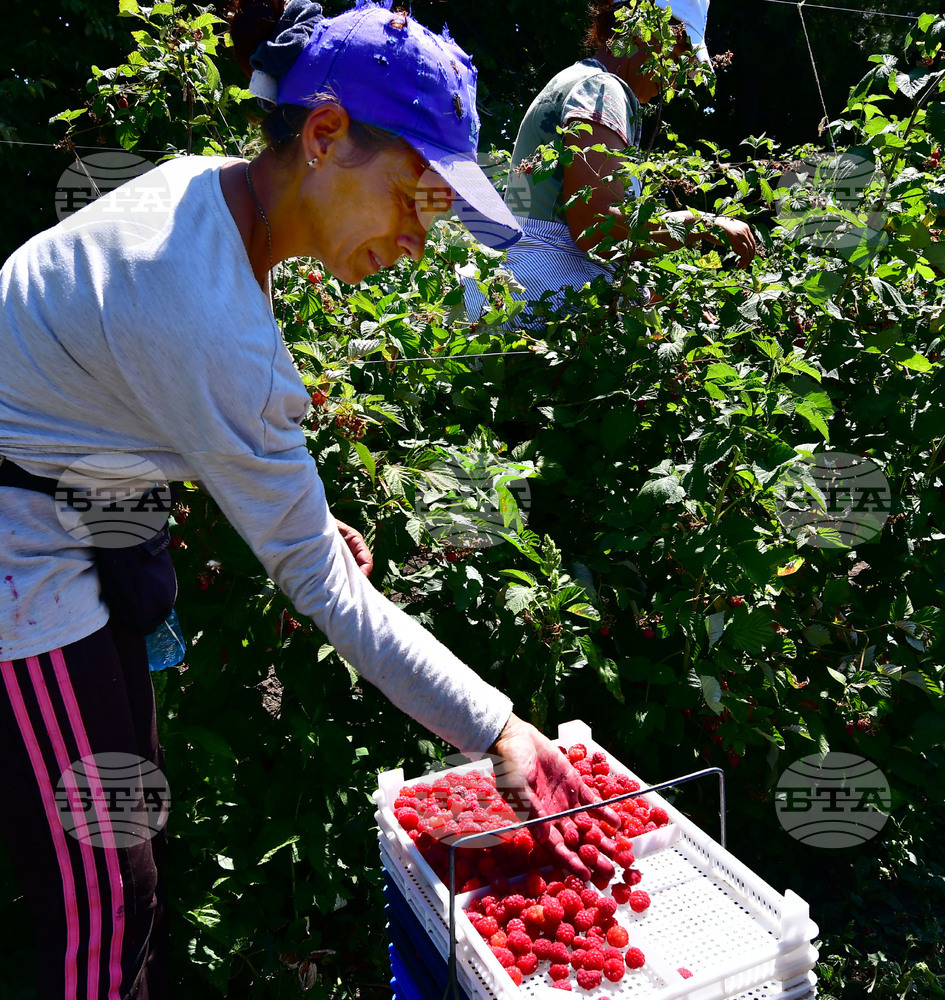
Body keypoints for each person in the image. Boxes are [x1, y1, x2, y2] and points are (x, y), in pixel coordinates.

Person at [0, 2, 616, 997]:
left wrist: (293, 511)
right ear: (325, 135)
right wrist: (500, 727)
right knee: (102, 893)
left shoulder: (214, 202)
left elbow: (144, 391)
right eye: (416, 199)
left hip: (76, 501)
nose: (422, 238)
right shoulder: (198, 308)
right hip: (17, 545)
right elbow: (319, 583)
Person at [465, 0, 756, 323]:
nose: (679, 76)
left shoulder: (580, 80)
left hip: (511, 293)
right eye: (679, 54)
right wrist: (701, 223)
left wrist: (662, 301)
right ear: (647, 31)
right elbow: (597, 228)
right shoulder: (603, 89)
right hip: (535, 300)